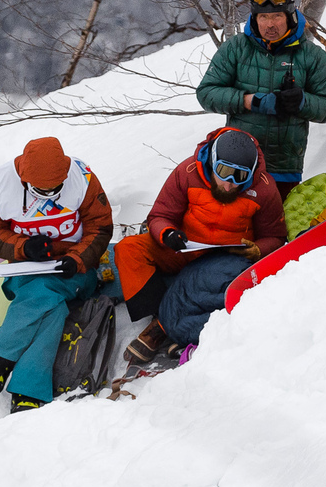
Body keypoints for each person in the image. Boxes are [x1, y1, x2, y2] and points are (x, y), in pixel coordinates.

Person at [115, 127, 285, 362]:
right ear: (213, 162)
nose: (229, 184)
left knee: (210, 276)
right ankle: (159, 315)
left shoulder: (264, 189)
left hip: (224, 256)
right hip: (184, 246)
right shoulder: (188, 172)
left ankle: (159, 329)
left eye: (240, 177)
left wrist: (258, 249)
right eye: (224, 172)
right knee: (129, 249)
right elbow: (160, 215)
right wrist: (167, 233)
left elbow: (276, 237)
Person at [0, 137, 115, 411]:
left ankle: (0, 360)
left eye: (56, 189)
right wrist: (23, 247)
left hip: (75, 270)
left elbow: (100, 226)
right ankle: (26, 391)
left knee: (42, 291)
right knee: (51, 307)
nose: (49, 194)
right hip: (27, 268)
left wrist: (77, 258)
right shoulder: (0, 183)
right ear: (24, 178)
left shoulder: (83, 178)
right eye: (41, 190)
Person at [194, 0, 326, 201]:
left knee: (277, 221)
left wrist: (302, 101)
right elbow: (206, 93)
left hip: (285, 166)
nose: (270, 24)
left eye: (277, 16)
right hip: (238, 163)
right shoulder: (236, 48)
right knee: (235, 220)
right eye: (263, 17)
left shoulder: (312, 55)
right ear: (255, 19)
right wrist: (250, 101)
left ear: (290, 17)